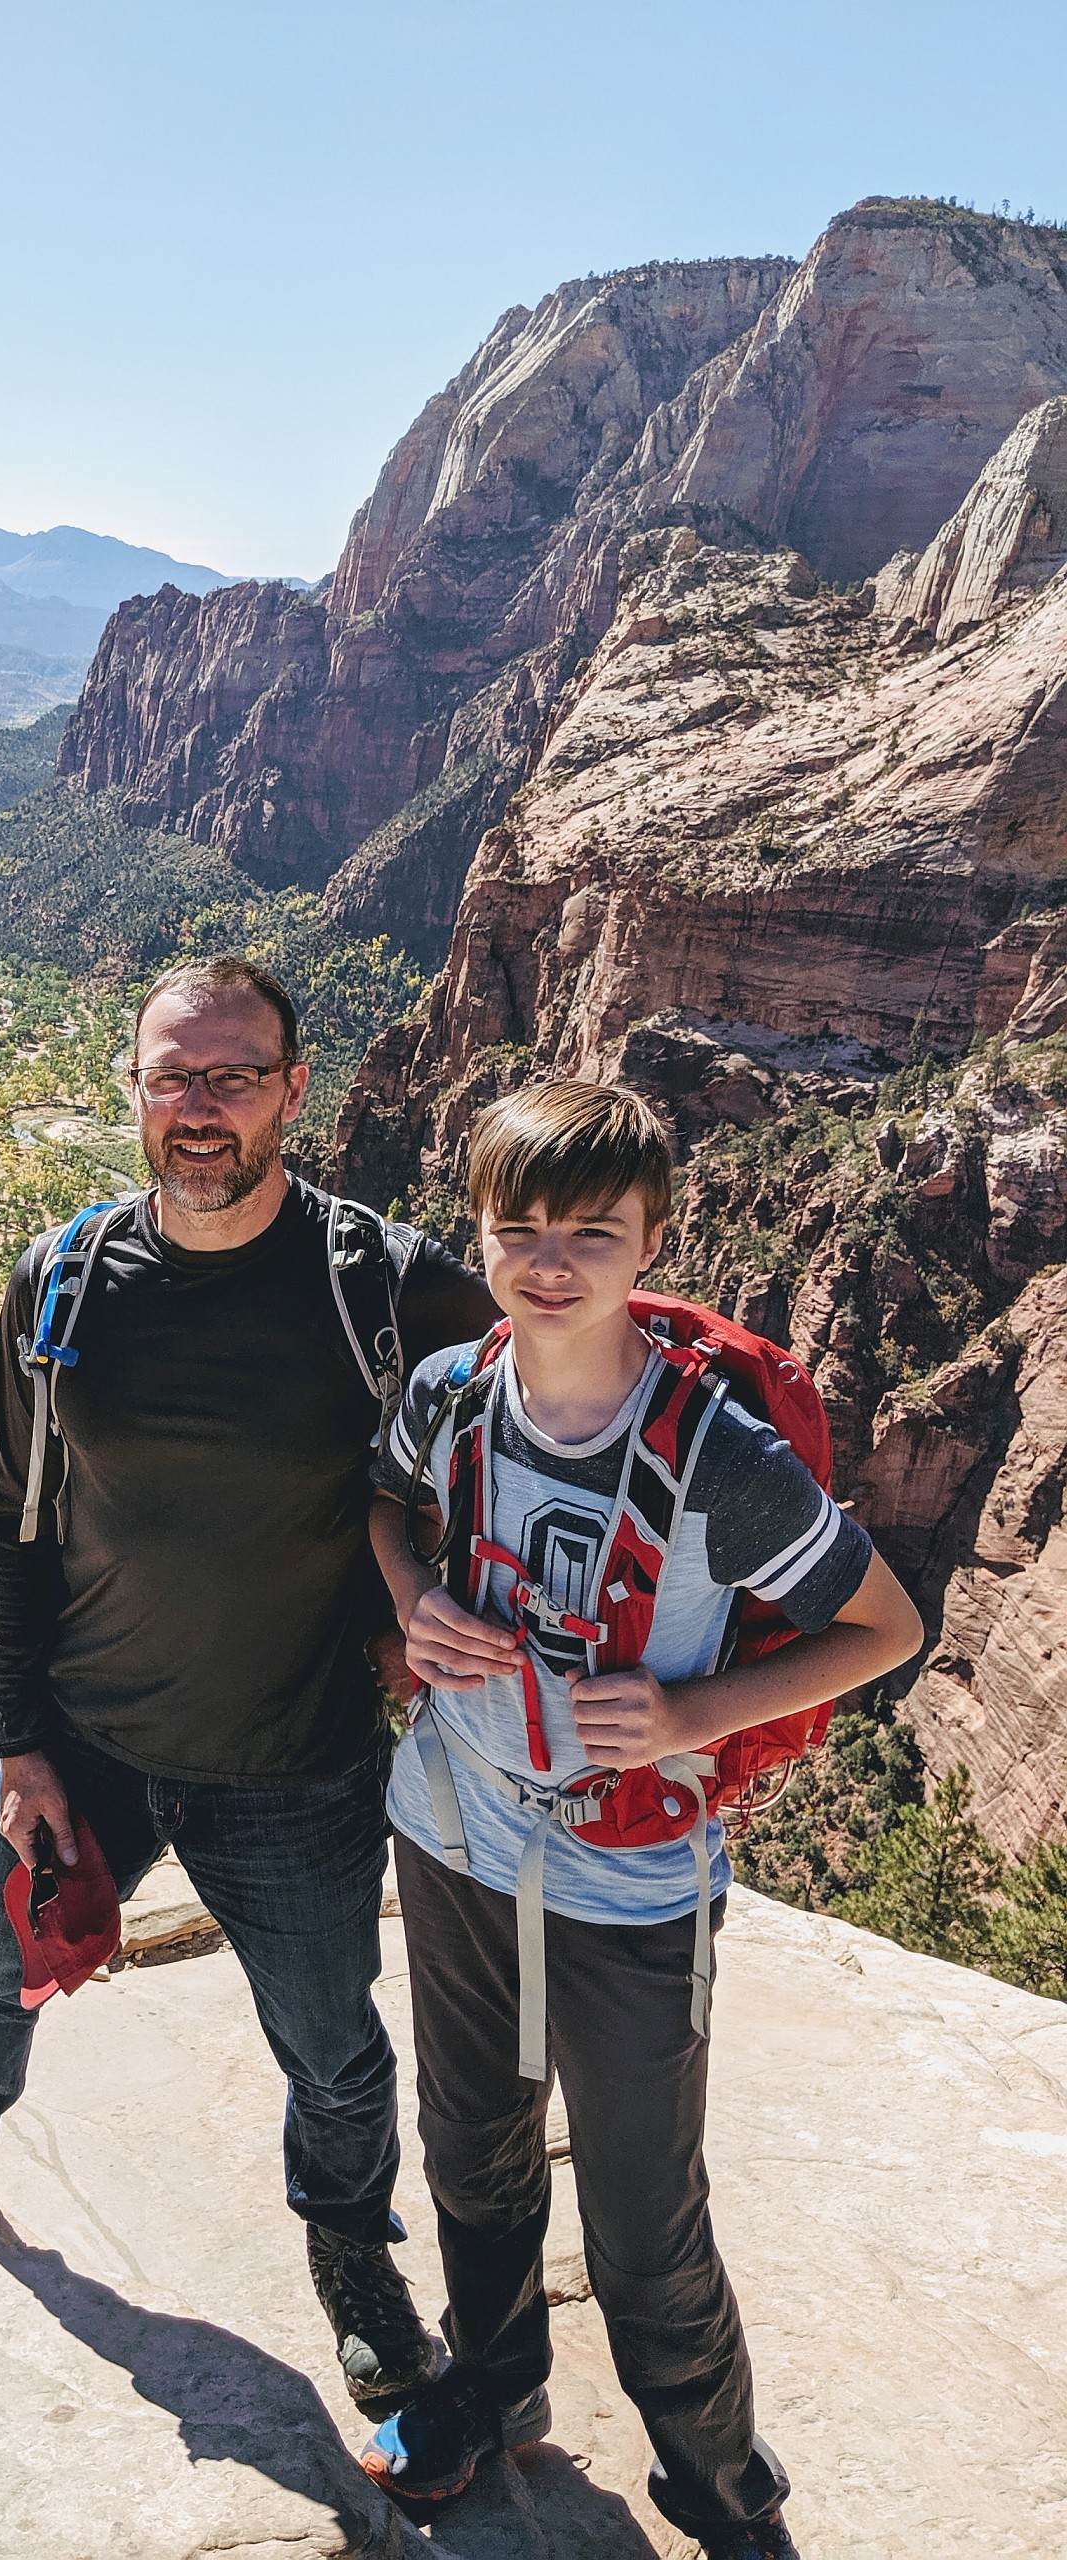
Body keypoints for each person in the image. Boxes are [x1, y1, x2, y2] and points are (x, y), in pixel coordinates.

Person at [0, 954, 497, 2412]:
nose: (201, 1110)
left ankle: (349, 2251)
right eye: (172, 1076)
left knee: (332, 2048)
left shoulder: (383, 1287)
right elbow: (12, 1524)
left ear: (293, 1089)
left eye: (234, 1076)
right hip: (92, 1737)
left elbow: (537, 1416)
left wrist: (429, 1606)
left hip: (298, 1756)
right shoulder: (63, 1282)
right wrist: (17, 1745)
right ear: (132, 1088)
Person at [358, 1080, 923, 2559]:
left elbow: (885, 1627)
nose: (552, 1262)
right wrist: (417, 1603)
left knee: (643, 2223)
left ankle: (723, 2493)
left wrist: (685, 1720)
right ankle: (491, 2392)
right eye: (520, 1228)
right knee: (471, 2146)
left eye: (592, 1233)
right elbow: (381, 1508)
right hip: (454, 1827)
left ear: (655, 1239)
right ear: (479, 1231)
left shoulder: (720, 1453)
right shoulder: (450, 1391)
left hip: (628, 1882)